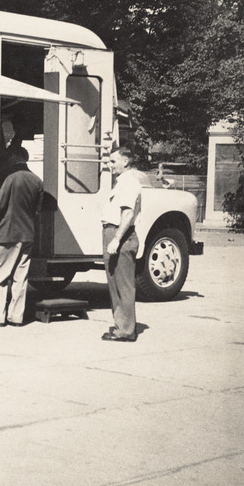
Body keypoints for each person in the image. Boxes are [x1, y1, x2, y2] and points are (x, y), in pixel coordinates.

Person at [0, 146, 43, 327]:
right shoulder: (37, 181)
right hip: (27, 235)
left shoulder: (10, 178)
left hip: (6, 233)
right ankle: (16, 317)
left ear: (15, 157)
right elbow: (37, 211)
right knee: (20, 278)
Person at [101, 146, 142, 342]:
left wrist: (116, 238)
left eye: (113, 162)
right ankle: (121, 325)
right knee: (114, 283)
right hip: (115, 233)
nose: (109, 165)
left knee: (123, 284)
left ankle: (126, 329)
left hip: (121, 235)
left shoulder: (129, 183)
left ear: (125, 162)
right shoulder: (121, 182)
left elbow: (127, 213)